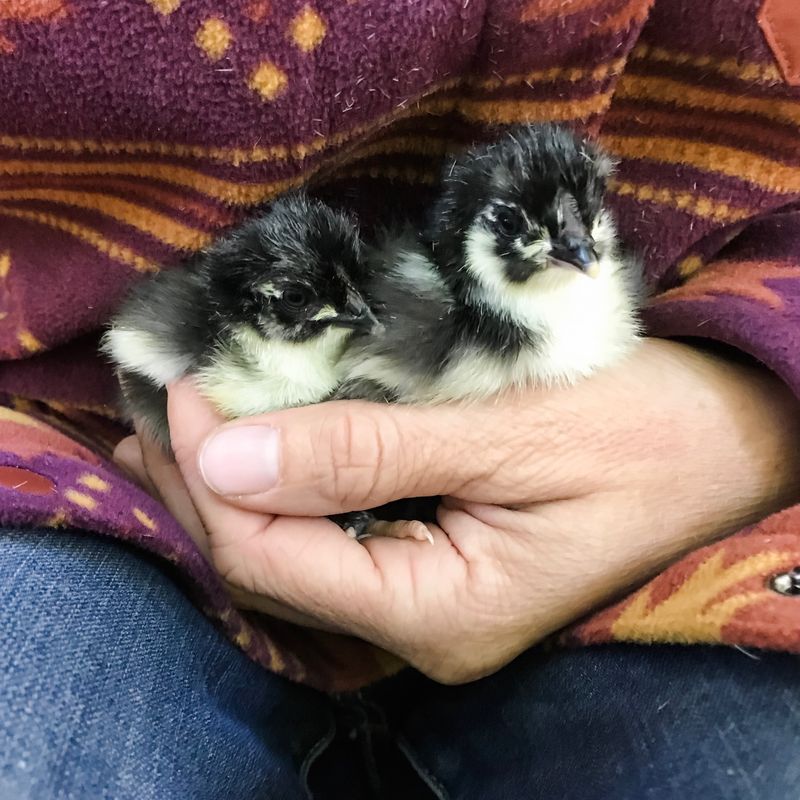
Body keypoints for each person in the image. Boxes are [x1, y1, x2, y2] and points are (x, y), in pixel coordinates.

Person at [1, 1, 799, 798]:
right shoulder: (383, 313)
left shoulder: (501, 301)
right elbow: (154, 343)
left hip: (689, 519)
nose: (577, 247)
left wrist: (757, 422)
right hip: (80, 477)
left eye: (581, 224)